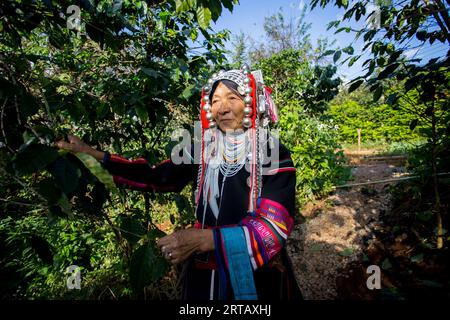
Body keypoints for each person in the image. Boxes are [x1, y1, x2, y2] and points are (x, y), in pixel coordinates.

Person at [56, 65, 302, 300]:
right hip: (204, 275)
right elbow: (157, 176)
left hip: (256, 276)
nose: (222, 108)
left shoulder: (271, 151)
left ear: (250, 103)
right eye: (215, 100)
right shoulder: (202, 148)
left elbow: (272, 227)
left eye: (232, 98)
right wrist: (91, 153)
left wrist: (204, 240)